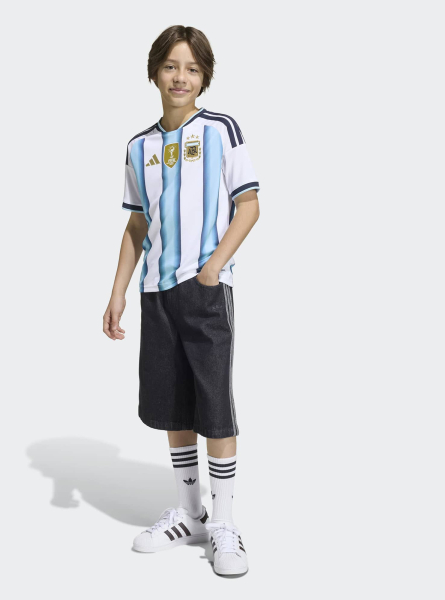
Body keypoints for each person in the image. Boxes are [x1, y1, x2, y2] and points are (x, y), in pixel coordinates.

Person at [103, 25, 260, 577]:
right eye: (171, 66)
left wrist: (213, 267)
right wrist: (118, 292)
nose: (180, 77)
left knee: (214, 403)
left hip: (206, 290)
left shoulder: (220, 129)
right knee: (172, 401)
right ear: (155, 72)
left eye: (192, 68)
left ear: (204, 77)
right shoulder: (138, 146)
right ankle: (189, 511)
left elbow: (249, 205)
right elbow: (136, 224)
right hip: (155, 292)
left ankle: (225, 522)